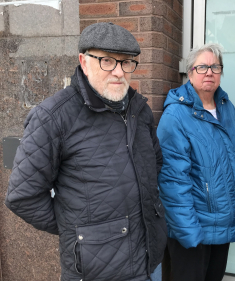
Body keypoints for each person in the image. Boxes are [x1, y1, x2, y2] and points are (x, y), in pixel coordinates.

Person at [5, 22, 167, 281]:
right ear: (83, 61)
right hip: (97, 269)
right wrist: (80, 229)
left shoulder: (140, 109)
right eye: (107, 61)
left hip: (149, 258)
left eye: (126, 63)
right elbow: (23, 197)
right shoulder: (53, 117)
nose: (118, 72)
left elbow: (154, 164)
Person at [157, 43, 235, 281]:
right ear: (190, 73)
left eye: (215, 67)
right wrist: (188, 232)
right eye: (202, 67)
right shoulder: (175, 116)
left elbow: (233, 165)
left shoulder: (226, 108)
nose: (209, 72)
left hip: (222, 223)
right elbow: (172, 182)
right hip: (193, 229)